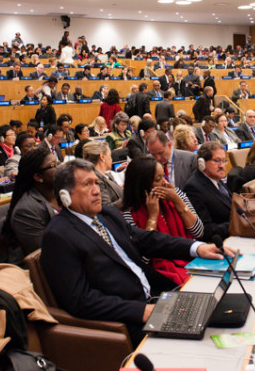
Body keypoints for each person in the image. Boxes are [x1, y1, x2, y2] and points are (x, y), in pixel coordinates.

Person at [39, 159, 229, 343]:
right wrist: (140, 311)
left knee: (224, 311)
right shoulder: (58, 236)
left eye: (97, 183)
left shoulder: (107, 214)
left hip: (158, 293)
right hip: (129, 318)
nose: (96, 190)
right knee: (208, 339)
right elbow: (80, 300)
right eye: (87, 184)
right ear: (65, 195)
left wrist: (197, 248)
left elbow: (147, 239)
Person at [120, 157, 205, 285]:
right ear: (143, 185)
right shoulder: (128, 215)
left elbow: (198, 232)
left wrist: (177, 201)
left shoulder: (176, 194)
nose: (165, 182)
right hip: (159, 276)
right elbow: (142, 260)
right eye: (158, 179)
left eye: (164, 176)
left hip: (193, 261)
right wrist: (153, 217)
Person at [4, 148, 59, 256]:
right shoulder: (25, 211)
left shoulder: (63, 194)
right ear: (38, 176)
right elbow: (48, 253)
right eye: (53, 165)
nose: (59, 168)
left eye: (58, 163)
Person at [182, 142, 232, 242]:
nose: (222, 166)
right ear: (201, 163)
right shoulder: (193, 188)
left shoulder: (216, 179)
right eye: (217, 161)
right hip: (218, 242)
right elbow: (206, 230)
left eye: (224, 161)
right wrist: (234, 225)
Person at [82, 141, 123, 207]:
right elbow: (107, 207)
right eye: (109, 155)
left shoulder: (107, 175)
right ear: (102, 156)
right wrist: (129, 196)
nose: (111, 159)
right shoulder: (95, 180)